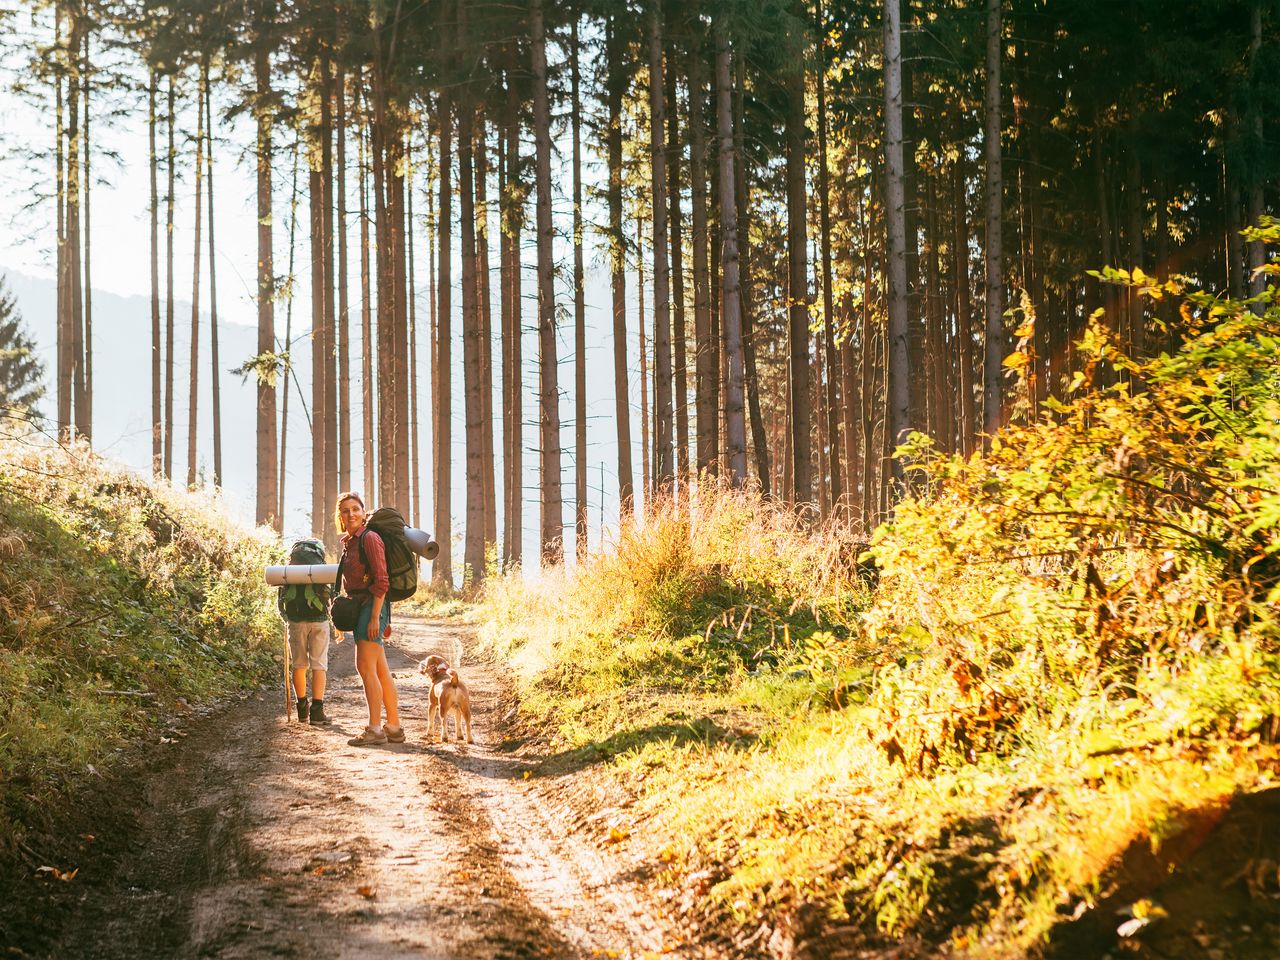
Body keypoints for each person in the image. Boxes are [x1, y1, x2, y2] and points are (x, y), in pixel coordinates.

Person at [335, 491, 405, 746]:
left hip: (372, 607)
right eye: (345, 510)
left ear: (363, 513)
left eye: (355, 509)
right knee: (379, 669)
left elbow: (382, 580)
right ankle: (394, 727)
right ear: (340, 516)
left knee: (365, 667)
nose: (351, 514)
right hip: (364, 607)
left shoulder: (370, 538)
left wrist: (375, 617)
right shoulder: (351, 542)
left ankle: (375, 728)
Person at [278, 540, 335, 724]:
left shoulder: (290, 570)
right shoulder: (320, 568)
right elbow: (332, 593)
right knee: (319, 665)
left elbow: (281, 595)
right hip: (319, 621)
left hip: (295, 621)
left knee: (299, 665)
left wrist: (286, 617)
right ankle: (317, 713)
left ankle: (302, 710)